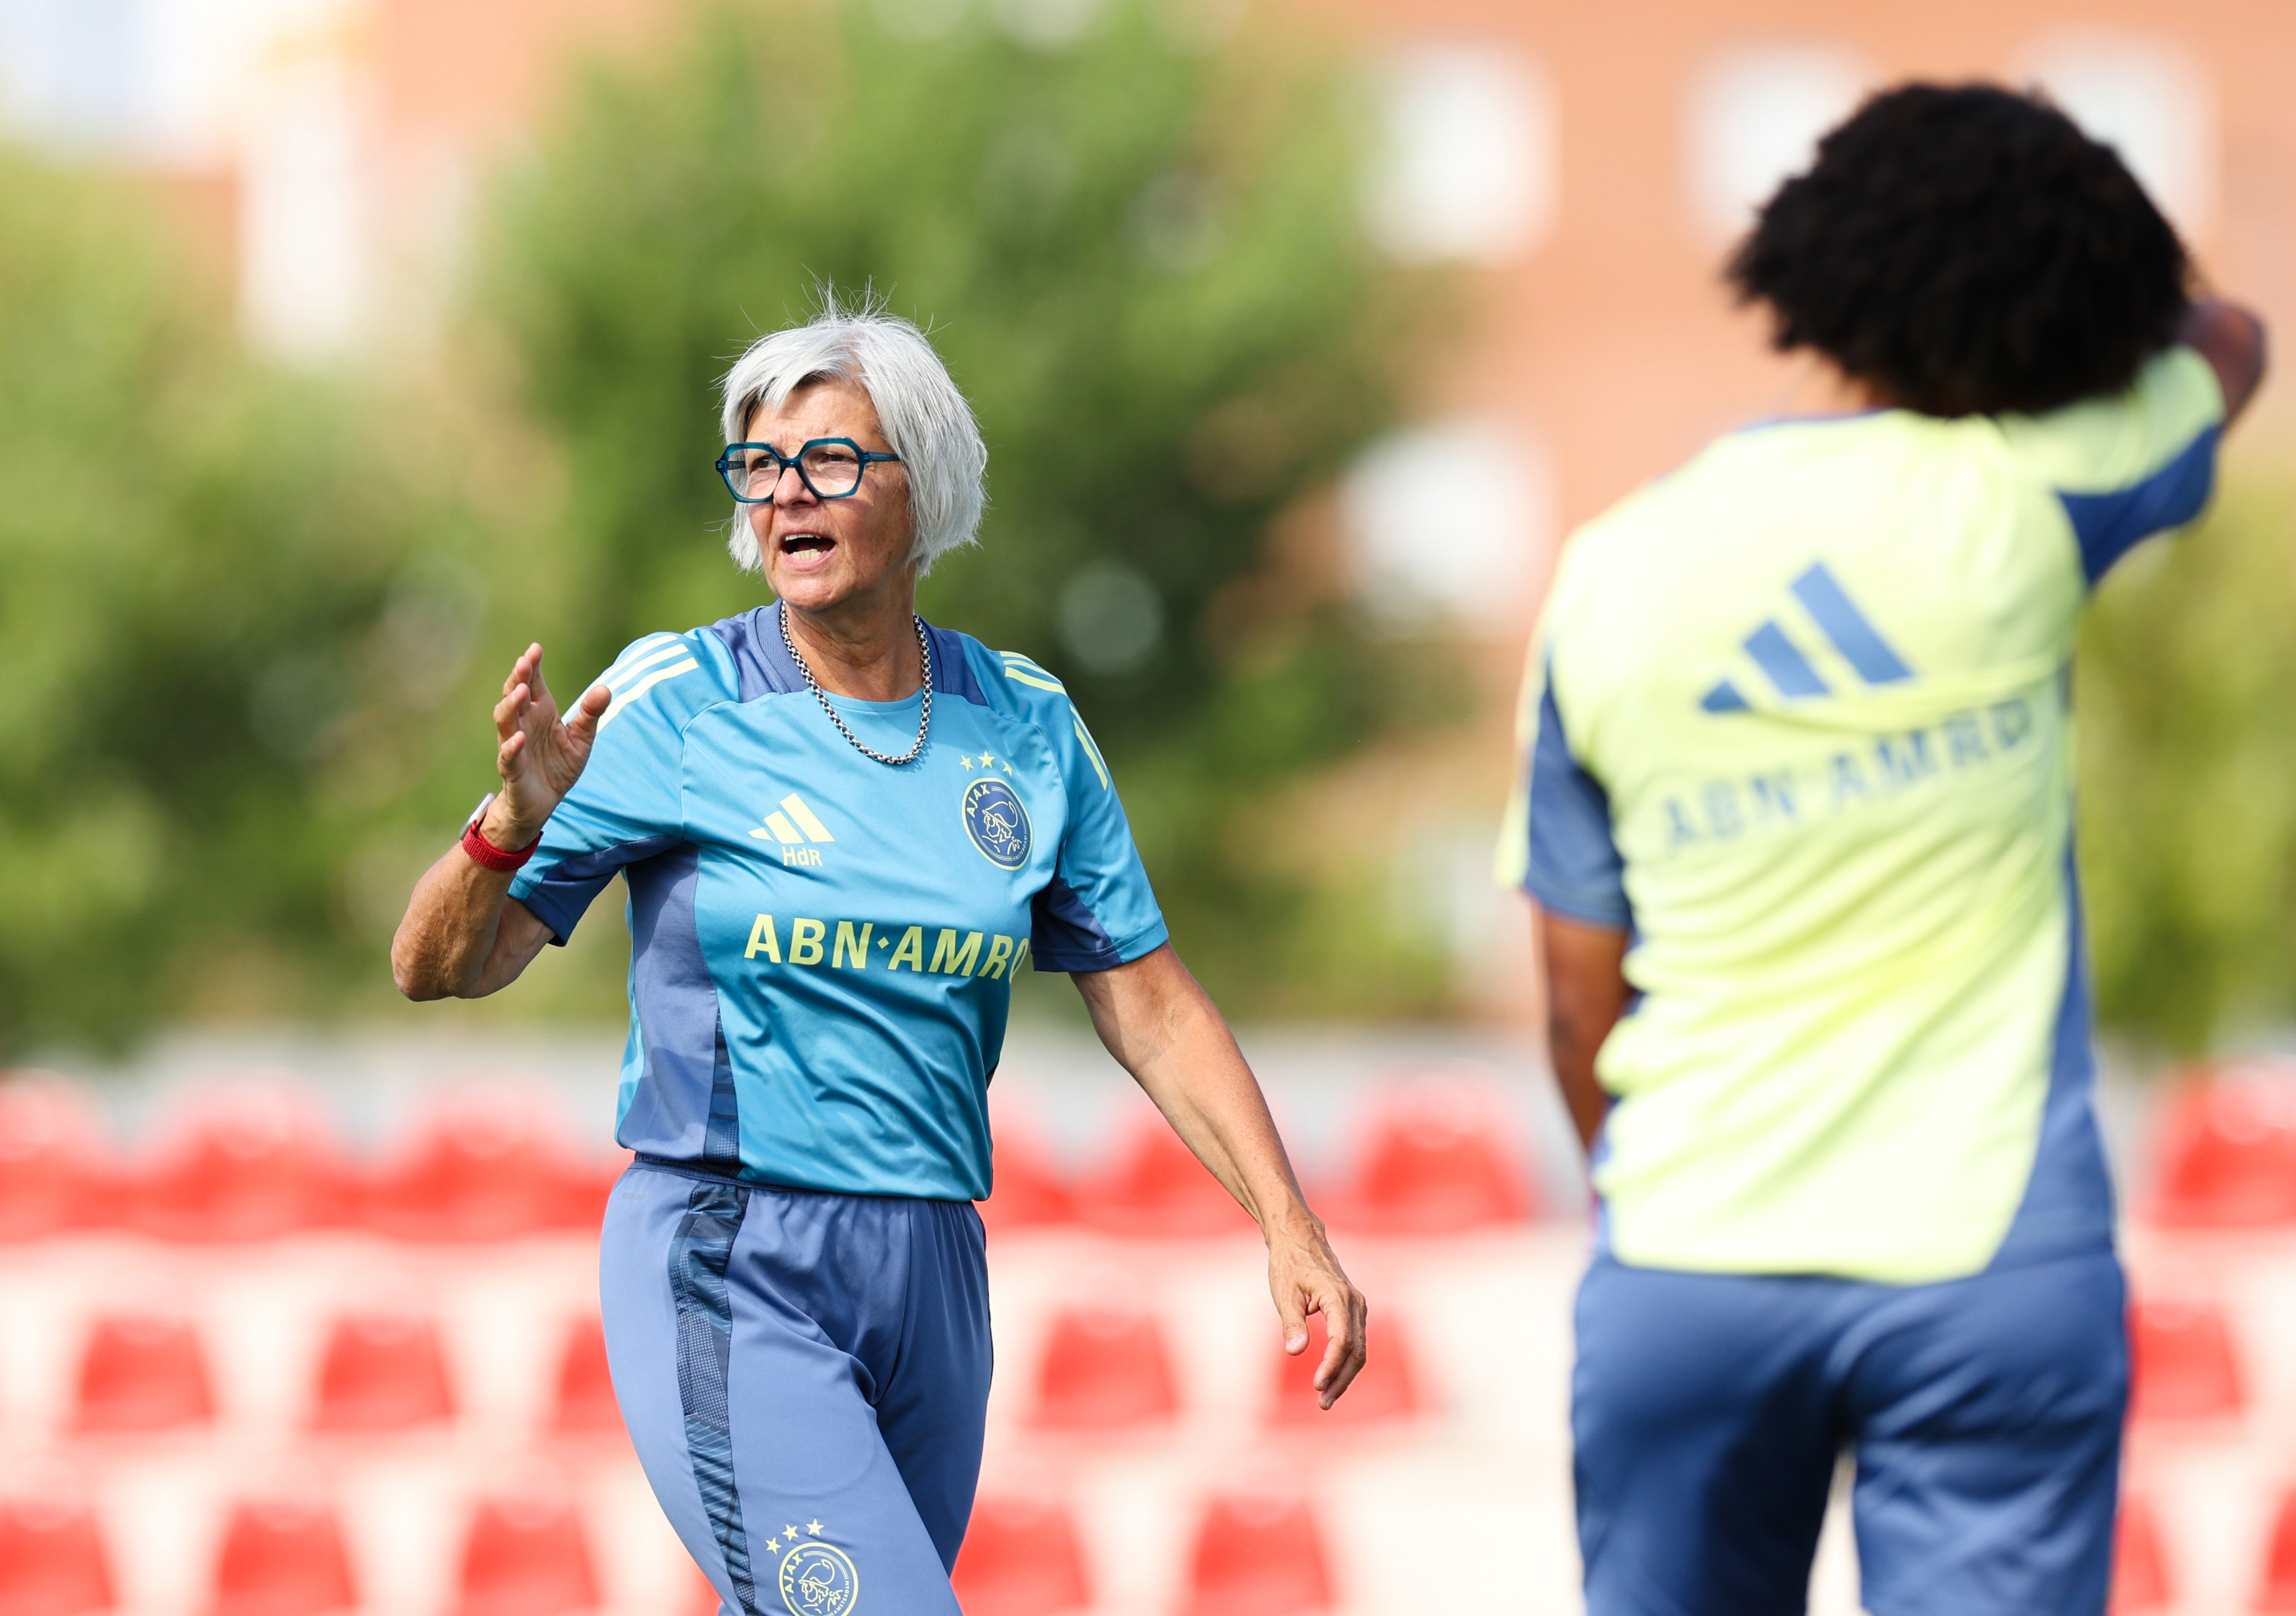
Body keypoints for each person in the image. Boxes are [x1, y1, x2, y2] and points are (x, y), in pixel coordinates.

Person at [391, 299, 1365, 1615]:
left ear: (927, 483)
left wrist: (1286, 1220)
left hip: (935, 1276)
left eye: (831, 461)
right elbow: (442, 964)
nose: (788, 494)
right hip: (732, 1252)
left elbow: (1149, 1002)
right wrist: (511, 823)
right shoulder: (674, 701)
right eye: (761, 466)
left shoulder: (1023, 725)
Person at [1498, 84, 2267, 1616]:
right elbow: (2229, 340)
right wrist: (2095, 283)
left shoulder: (1610, 573)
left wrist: (1648, 1204)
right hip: (1987, 1265)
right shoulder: (2033, 500)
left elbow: (1578, 999)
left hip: (1690, 1259)